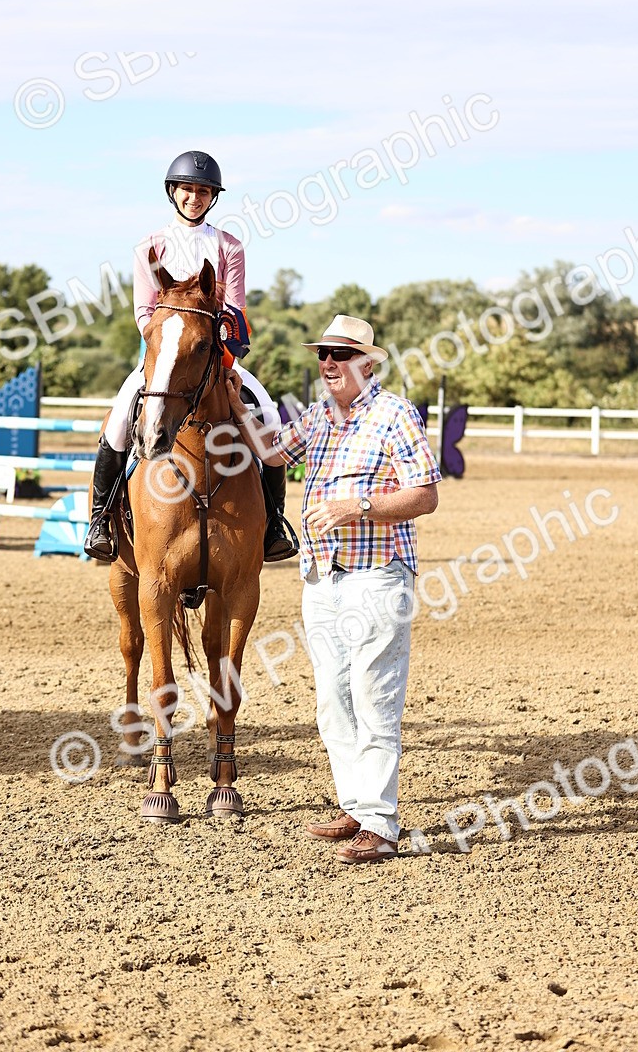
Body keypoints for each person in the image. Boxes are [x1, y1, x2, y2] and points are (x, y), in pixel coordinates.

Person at [226, 314, 441, 865]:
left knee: (375, 698)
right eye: (323, 354)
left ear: (368, 365)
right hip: (322, 577)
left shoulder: (395, 415)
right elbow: (272, 452)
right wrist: (232, 400)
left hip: (377, 574)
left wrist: (356, 507)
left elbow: (424, 496)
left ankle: (381, 825)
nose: (328, 364)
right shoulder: (319, 416)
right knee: (331, 702)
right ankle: (356, 806)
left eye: (340, 355)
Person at [84, 150, 297, 564]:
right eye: (187, 190)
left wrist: (224, 356)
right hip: (164, 353)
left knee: (269, 414)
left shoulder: (229, 246)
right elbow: (144, 312)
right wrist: (165, 343)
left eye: (202, 191)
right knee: (120, 419)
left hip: (214, 354)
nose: (194, 198)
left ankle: (273, 522)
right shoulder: (149, 247)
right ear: (173, 192)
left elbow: (234, 309)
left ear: (212, 197)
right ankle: (100, 519)